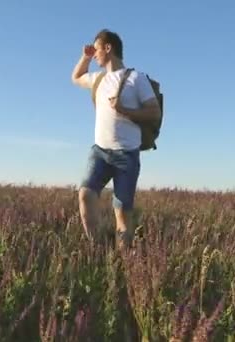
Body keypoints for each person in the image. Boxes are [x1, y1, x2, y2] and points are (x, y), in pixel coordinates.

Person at [71, 29, 161, 249]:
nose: (95, 55)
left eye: (97, 49)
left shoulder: (136, 79)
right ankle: (97, 249)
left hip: (126, 155)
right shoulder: (98, 79)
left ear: (108, 48)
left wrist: (124, 110)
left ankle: (123, 264)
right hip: (99, 152)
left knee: (121, 213)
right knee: (85, 195)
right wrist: (85, 56)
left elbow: (154, 112)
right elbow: (76, 77)